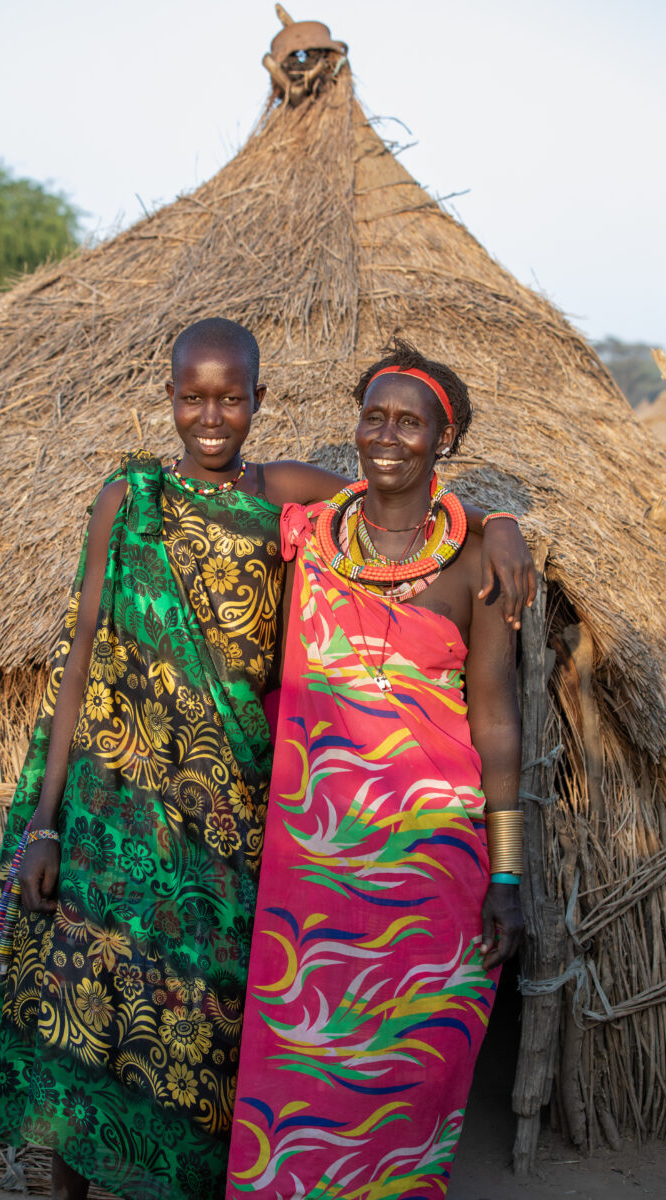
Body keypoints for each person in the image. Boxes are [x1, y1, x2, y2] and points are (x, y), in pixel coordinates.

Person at [0, 320, 532, 1200]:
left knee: (260, 1049)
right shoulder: (187, 508)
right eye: (193, 397)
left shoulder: (321, 511)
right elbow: (81, 656)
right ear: (169, 398)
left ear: (259, 402)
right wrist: (44, 821)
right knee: (106, 1027)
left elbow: (402, 505)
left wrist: (499, 521)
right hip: (182, 829)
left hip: (312, 839)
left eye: (232, 398)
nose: (211, 416)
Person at [227, 338, 524, 1200]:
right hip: (312, 870)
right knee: (299, 1070)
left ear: (446, 440)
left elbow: (497, 719)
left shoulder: (474, 560)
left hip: (433, 861)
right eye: (373, 416)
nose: (386, 436)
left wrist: (507, 872)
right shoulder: (313, 523)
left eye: (410, 422)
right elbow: (216, 472)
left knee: (409, 1075)